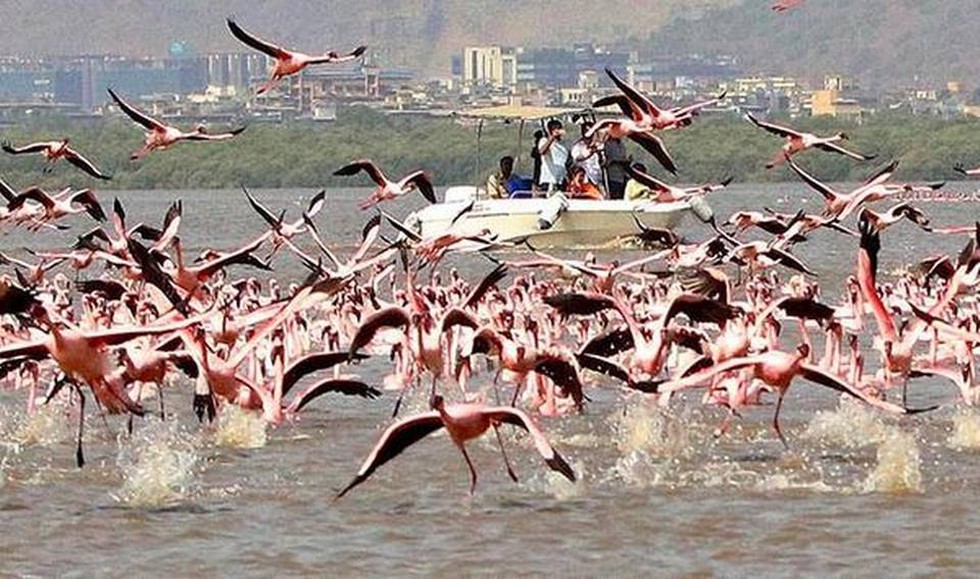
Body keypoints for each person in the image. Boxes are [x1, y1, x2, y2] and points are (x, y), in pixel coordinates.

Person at [536, 120, 569, 192]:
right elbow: (542, 151)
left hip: (561, 180)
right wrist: (552, 138)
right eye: (554, 128)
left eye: (559, 128)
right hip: (549, 179)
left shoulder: (564, 145)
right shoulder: (544, 140)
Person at [570, 122, 604, 193]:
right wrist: (590, 153)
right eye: (586, 130)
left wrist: (599, 153)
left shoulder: (598, 144)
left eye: (590, 130)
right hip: (584, 179)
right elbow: (577, 158)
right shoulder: (578, 145)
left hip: (596, 178)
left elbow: (602, 162)